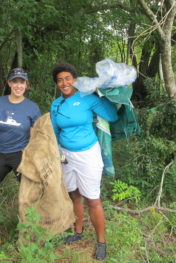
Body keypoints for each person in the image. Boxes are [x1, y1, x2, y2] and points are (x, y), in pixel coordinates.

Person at [50, 63, 118, 261]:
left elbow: (112, 116)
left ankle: (101, 243)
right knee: (74, 195)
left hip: (88, 155)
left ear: (75, 80)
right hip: (65, 156)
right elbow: (55, 131)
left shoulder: (87, 98)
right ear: (57, 83)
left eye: (67, 78)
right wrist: (56, 152)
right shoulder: (56, 104)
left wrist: (99, 94)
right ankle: (78, 231)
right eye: (60, 80)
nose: (64, 83)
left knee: (93, 200)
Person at [0, 67, 41, 202]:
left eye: (22, 82)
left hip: (20, 154)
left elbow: (34, 137)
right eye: (15, 81)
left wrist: (31, 157)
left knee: (30, 192)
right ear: (9, 83)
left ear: (26, 85)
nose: (18, 86)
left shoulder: (32, 108)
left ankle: (29, 221)